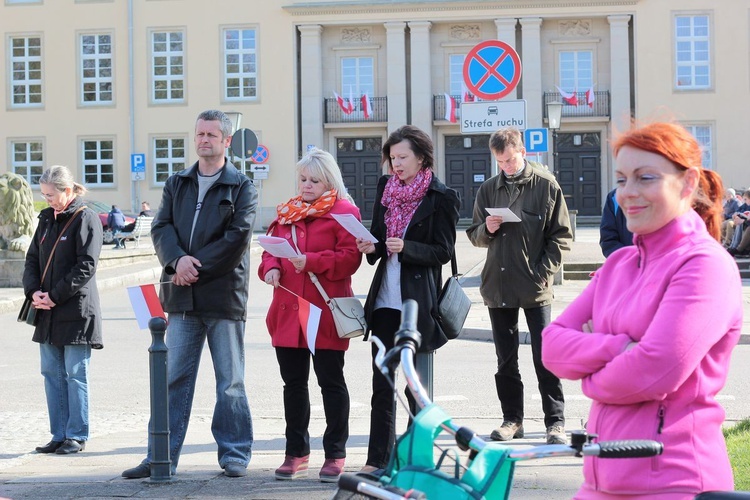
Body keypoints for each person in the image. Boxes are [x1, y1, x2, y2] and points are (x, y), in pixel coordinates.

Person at [542, 122, 741, 498]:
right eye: (620, 180)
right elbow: (552, 347)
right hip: (599, 481)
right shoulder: (619, 265)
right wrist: (618, 349)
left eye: (644, 178)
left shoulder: (704, 265)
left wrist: (590, 378)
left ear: (687, 182)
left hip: (673, 481)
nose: (627, 194)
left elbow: (655, 369)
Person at [122, 109, 258, 479]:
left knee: (230, 381)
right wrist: (177, 260)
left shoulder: (242, 185)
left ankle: (234, 454)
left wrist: (192, 267)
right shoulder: (177, 182)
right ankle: (159, 456)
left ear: (227, 141)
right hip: (181, 298)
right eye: (200, 134)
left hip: (223, 297)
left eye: (212, 135)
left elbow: (237, 238)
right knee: (172, 380)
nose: (204, 140)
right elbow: (161, 227)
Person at [356, 125, 460, 473]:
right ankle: (377, 460)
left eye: (402, 157)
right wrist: (370, 245)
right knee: (382, 383)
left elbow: (444, 251)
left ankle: (415, 460)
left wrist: (408, 248)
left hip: (418, 303)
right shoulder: (386, 188)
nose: (395, 164)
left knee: (417, 388)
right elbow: (378, 236)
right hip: (385, 300)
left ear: (421, 158)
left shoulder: (441, 196)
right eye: (392, 158)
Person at [259, 148, 362, 483]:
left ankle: (335, 453)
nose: (306, 185)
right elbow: (268, 252)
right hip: (288, 311)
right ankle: (296, 452)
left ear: (328, 180)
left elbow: (350, 260)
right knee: (293, 385)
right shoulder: (288, 210)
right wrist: (271, 269)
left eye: (314, 180)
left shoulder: (343, 212)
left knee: (331, 383)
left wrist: (312, 261)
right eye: (303, 179)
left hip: (325, 312)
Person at [466, 127, 572, 445]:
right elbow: (473, 234)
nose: (506, 167)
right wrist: (487, 228)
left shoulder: (546, 185)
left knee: (546, 356)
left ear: (522, 151)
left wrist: (543, 273)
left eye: (510, 160)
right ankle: (512, 420)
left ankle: (555, 423)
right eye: (500, 162)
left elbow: (562, 236)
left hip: (535, 286)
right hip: (498, 286)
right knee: (505, 360)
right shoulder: (488, 189)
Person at [24, 165, 103, 455]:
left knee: (74, 372)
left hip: (75, 310)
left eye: (51, 195)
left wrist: (54, 296)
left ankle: (76, 435)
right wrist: (34, 292)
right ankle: (58, 434)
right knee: (51, 372)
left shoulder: (86, 218)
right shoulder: (46, 219)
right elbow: (32, 259)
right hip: (46, 309)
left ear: (68, 190)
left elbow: (87, 266)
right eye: (44, 195)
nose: (48, 200)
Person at [599, 187, 633, 257]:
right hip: (624, 264)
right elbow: (608, 240)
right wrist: (629, 260)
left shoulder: (658, 196)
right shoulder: (614, 197)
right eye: (621, 180)